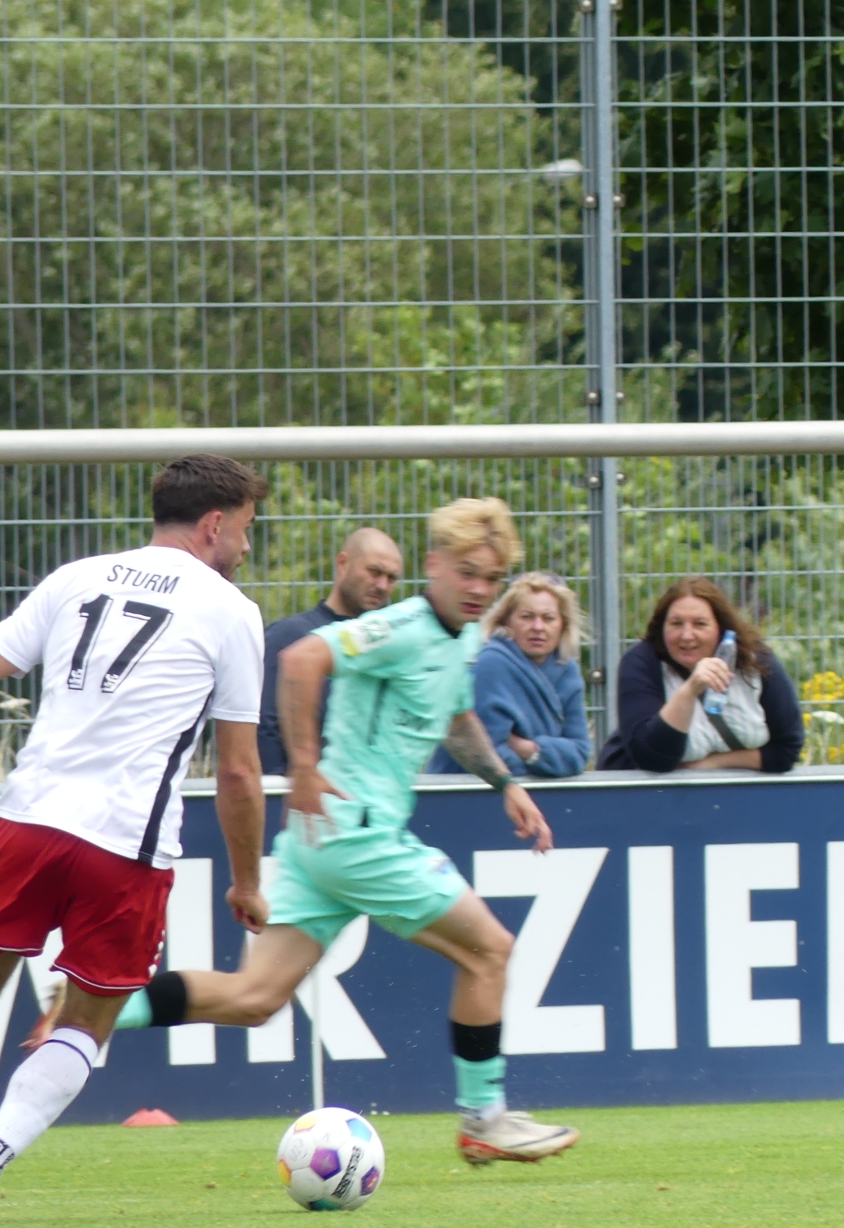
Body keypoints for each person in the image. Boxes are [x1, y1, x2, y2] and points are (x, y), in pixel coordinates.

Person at [0, 454, 271, 1223]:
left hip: (30, 823)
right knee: (86, 1025)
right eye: (246, 529)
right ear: (213, 524)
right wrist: (246, 880)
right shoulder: (232, 612)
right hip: (126, 847)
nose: (246, 546)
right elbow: (237, 772)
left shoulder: (77, 579)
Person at [113, 498, 580, 1165]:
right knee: (490, 952)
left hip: (322, 843)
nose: (480, 589)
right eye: (468, 573)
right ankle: (484, 1120)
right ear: (435, 565)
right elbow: (303, 658)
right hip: (358, 833)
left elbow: (455, 719)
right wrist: (303, 767)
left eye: (492, 578)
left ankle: (103, 1006)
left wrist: (505, 784)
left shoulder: (462, 638)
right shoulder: (401, 627)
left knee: (254, 998)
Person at [598, 576, 803, 774]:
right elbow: (653, 759)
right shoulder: (641, 662)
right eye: (676, 623)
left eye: (700, 624)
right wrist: (690, 690)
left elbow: (787, 749)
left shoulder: (756, 660)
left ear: (721, 628)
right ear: (662, 627)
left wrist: (710, 765)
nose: (687, 635)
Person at [257, 527, 403, 773]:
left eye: (391, 578)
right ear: (343, 563)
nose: (382, 585)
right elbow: (265, 726)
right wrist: (285, 787)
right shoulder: (290, 637)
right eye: (374, 572)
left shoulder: (388, 647)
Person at [427, 572, 591, 778]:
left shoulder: (567, 668)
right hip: (466, 787)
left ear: (563, 624)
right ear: (507, 621)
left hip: (533, 789)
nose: (538, 627)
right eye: (526, 617)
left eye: (548, 618)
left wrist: (529, 750)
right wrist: (548, 767)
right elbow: (489, 754)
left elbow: (580, 752)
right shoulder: (489, 665)